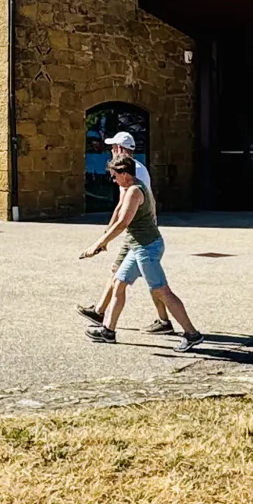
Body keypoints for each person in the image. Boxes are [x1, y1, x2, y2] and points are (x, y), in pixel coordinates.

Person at [78, 153, 201, 352]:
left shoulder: (135, 191)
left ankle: (192, 334)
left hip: (147, 248)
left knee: (161, 291)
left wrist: (98, 243)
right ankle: (108, 331)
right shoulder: (129, 188)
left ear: (125, 174)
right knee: (118, 283)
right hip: (139, 246)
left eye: (114, 175)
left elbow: (123, 222)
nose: (113, 179)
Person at [77, 129, 174, 332]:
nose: (111, 151)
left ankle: (167, 323)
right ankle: (102, 312)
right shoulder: (137, 168)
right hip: (140, 231)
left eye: (113, 148)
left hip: (139, 234)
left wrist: (104, 238)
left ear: (120, 149)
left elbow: (123, 209)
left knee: (150, 281)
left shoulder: (128, 172)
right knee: (133, 277)